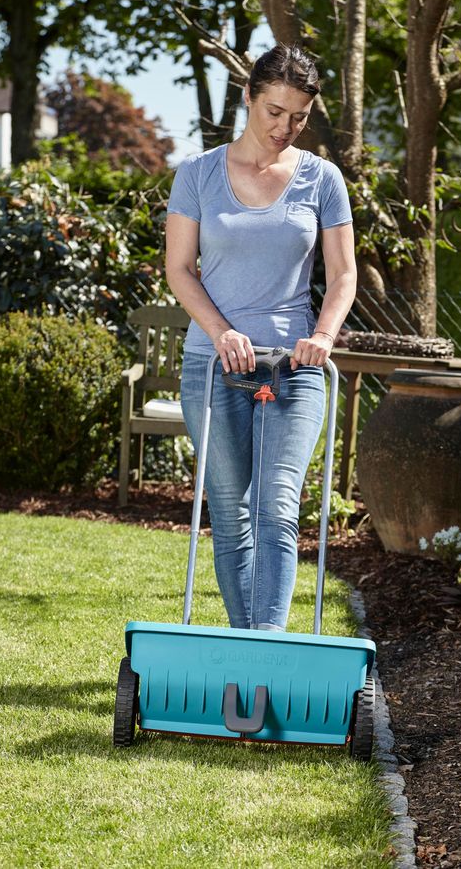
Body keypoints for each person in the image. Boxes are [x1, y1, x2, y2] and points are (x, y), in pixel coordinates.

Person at [165, 44, 356, 632]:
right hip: (213, 367)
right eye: (275, 111)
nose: (285, 127)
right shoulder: (198, 174)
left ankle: (268, 646)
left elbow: (343, 274)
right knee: (231, 513)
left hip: (294, 366)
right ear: (248, 97)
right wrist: (221, 332)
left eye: (298, 117)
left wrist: (323, 335)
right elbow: (179, 269)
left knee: (277, 506)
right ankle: (248, 649)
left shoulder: (322, 178)